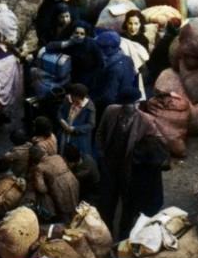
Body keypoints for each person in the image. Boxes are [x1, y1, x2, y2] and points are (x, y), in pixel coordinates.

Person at [97, 88, 161, 236]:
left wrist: (140, 158)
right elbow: (100, 133)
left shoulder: (146, 121)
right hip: (110, 165)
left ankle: (123, 236)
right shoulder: (110, 111)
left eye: (133, 104)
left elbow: (155, 144)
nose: (130, 107)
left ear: (138, 104)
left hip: (131, 171)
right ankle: (105, 233)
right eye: (126, 105)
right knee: (107, 202)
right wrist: (101, 155)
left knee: (129, 205)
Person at [57, 82, 97, 161]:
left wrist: (74, 129)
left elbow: (91, 125)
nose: (71, 99)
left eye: (73, 97)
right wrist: (61, 120)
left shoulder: (89, 107)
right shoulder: (68, 99)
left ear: (79, 97)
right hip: (64, 135)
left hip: (79, 140)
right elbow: (60, 111)